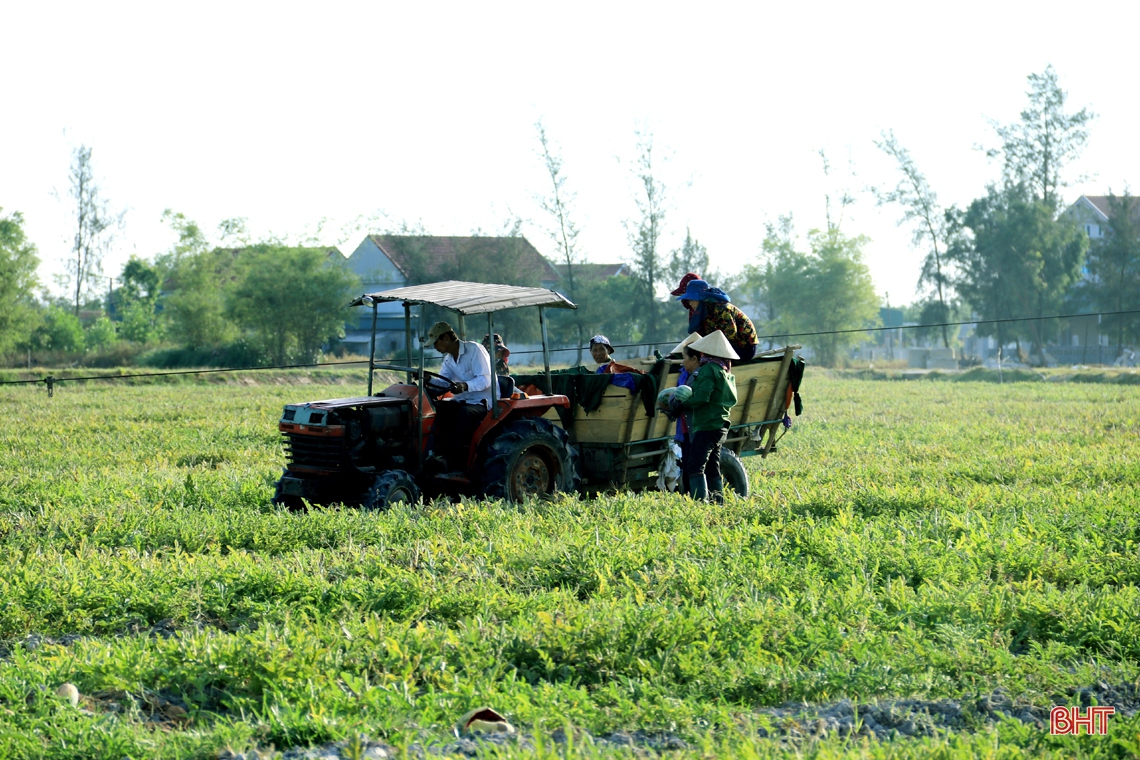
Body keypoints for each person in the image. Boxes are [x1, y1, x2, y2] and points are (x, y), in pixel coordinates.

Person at [672, 330, 738, 504]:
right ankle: (718, 502)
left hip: (708, 425)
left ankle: (700, 505)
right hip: (719, 424)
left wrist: (682, 405)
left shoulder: (708, 369)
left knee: (695, 465)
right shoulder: (723, 369)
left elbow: (702, 397)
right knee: (711, 466)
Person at [426, 321, 492, 471]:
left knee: (464, 414)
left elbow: (485, 379)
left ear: (446, 338)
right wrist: (429, 379)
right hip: (463, 399)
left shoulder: (475, 350)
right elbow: (444, 383)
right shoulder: (448, 359)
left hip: (482, 401)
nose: (435, 347)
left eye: (436, 343)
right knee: (438, 408)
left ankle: (452, 459)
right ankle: (435, 452)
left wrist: (465, 386)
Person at [675, 278, 758, 361]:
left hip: (743, 348)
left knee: (701, 357)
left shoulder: (721, 309)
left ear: (701, 298)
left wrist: (706, 347)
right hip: (725, 348)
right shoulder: (704, 311)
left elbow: (730, 335)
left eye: (692, 299)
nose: (690, 303)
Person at [668, 331, 702, 494]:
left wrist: (676, 404)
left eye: (685, 357)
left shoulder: (698, 376)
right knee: (687, 461)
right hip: (686, 427)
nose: (682, 362)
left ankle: (695, 496)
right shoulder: (685, 375)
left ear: (694, 359)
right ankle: (689, 495)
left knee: (693, 464)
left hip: (696, 427)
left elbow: (688, 400)